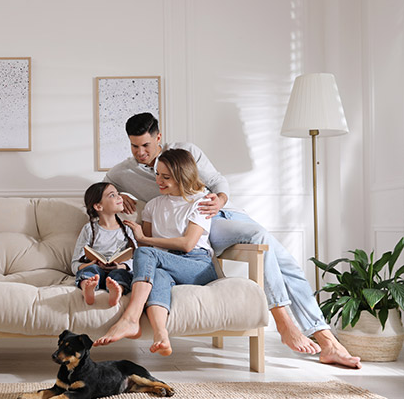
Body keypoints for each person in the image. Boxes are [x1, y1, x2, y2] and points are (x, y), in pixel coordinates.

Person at [99, 112, 361, 369]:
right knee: (267, 244)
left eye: (146, 144)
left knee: (285, 262)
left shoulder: (185, 151)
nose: (141, 152)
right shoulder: (127, 171)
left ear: (159, 137)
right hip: (195, 228)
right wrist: (120, 194)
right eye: (135, 146)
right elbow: (105, 184)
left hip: (218, 215)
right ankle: (306, 333)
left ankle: (316, 336)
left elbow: (217, 181)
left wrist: (219, 201)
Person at [95, 149, 218, 356]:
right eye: (157, 174)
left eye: (166, 177)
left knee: (148, 253)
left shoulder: (201, 202)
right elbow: (146, 252)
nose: (159, 181)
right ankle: (161, 335)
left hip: (197, 265)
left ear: (182, 175)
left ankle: (130, 318)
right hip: (166, 265)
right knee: (157, 274)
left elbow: (188, 244)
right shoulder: (152, 206)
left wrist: (143, 239)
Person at [71, 182, 137, 307]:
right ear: (98, 206)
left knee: (121, 275)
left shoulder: (126, 229)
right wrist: (90, 264)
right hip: (96, 269)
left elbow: (137, 260)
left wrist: (121, 266)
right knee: (90, 270)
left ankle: (117, 291)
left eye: (118, 194)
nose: (120, 197)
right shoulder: (89, 229)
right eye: (112, 195)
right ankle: (87, 288)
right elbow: (75, 263)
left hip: (117, 269)